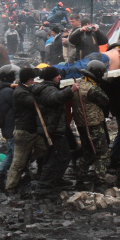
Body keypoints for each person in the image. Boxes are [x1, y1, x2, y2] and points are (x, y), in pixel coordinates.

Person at [32, 66, 79, 198]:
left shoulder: (47, 87)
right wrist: (71, 90)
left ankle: (55, 180)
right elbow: (55, 99)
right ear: (52, 77)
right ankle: (43, 188)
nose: (60, 77)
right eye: (57, 75)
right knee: (53, 159)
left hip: (55, 128)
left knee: (63, 156)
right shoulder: (48, 89)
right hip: (52, 129)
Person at [5, 67, 47, 191]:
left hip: (31, 130)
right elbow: (35, 104)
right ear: (28, 79)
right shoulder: (21, 93)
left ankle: (27, 159)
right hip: (23, 131)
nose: (33, 81)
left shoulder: (23, 89)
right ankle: (10, 187)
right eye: (32, 79)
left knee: (43, 149)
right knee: (18, 163)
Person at [72, 60, 111, 191]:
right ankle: (99, 182)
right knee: (102, 154)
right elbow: (105, 101)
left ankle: (79, 179)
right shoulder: (93, 89)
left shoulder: (78, 83)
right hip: (93, 124)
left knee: (87, 153)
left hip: (81, 124)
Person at [0, 65, 18, 191]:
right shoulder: (8, 92)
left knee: (10, 153)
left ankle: (0, 176)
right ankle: (13, 181)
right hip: (11, 126)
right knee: (15, 154)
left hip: (7, 127)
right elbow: (18, 105)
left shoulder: (2, 90)